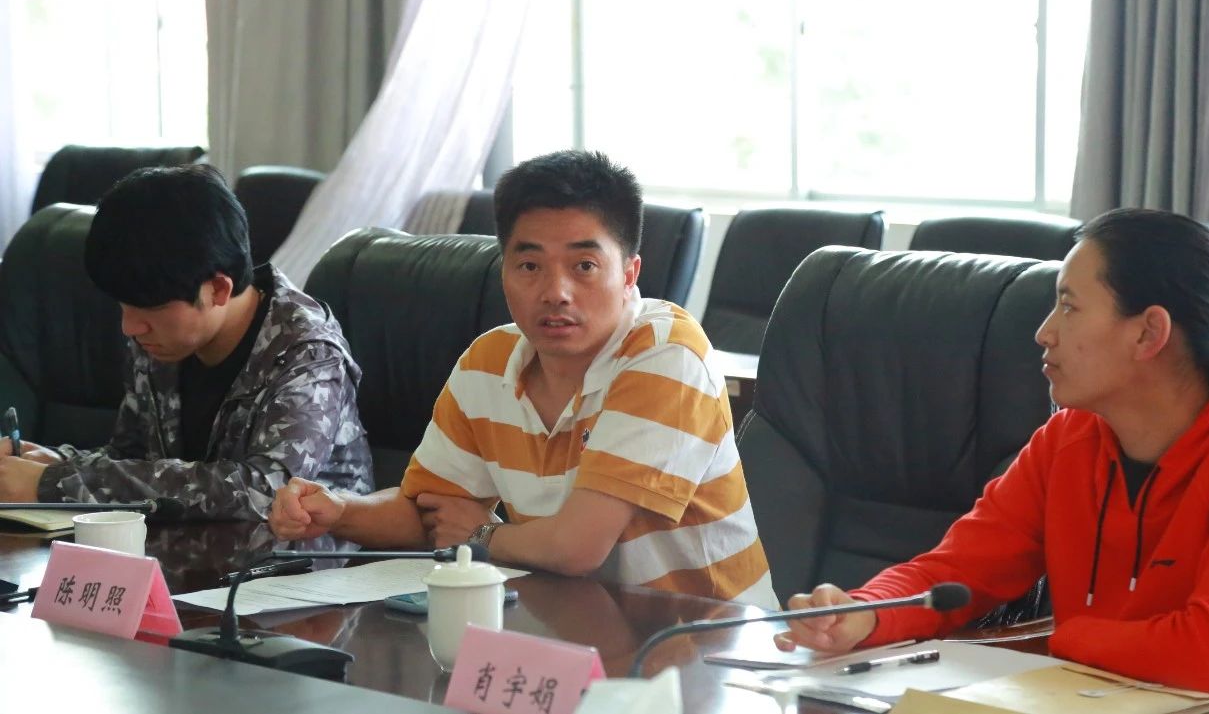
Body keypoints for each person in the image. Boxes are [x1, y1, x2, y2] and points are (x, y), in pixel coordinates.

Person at [777, 208, 1209, 701]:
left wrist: (1062, 639)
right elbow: (954, 572)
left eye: (1069, 306)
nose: (1044, 332)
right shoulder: (1067, 439)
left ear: (1149, 333)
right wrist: (863, 613)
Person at [269, 150, 777, 608]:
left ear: (629, 274)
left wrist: (483, 535)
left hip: (711, 646)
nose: (556, 292)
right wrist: (338, 510)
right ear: (504, 271)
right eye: (530, 265)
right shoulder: (488, 361)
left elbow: (576, 548)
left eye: (584, 265)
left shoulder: (666, 354)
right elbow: (426, 513)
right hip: (573, 633)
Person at [0, 165, 373, 519]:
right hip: (173, 553)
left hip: (293, 560)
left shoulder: (306, 351)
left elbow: (266, 491)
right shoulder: (159, 338)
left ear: (218, 289)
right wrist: (58, 463)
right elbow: (131, 459)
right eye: (124, 305)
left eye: (151, 308)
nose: (130, 327)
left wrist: (59, 483)